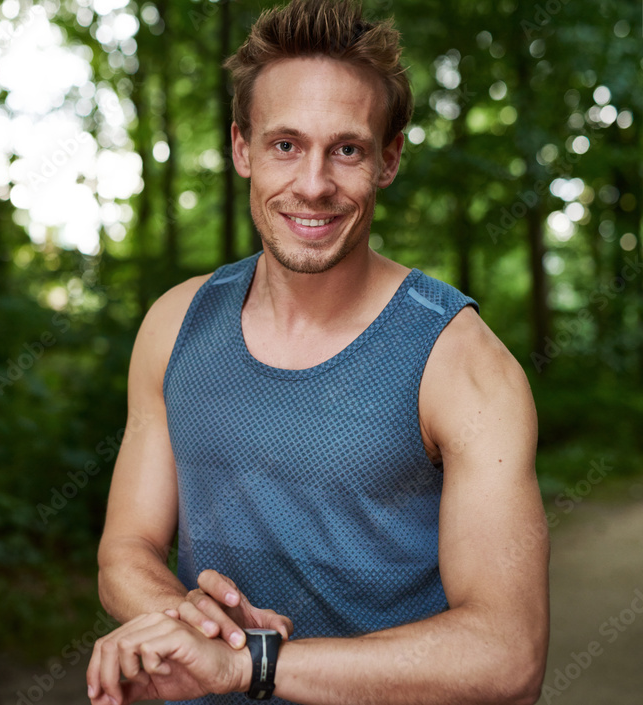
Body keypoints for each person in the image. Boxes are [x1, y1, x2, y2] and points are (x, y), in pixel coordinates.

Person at [86, 1, 549, 704]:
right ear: (242, 147)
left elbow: (508, 652)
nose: (312, 184)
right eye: (285, 145)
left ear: (388, 158)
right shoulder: (174, 324)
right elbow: (125, 552)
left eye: (347, 149)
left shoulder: (463, 364)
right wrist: (202, 624)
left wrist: (257, 663)